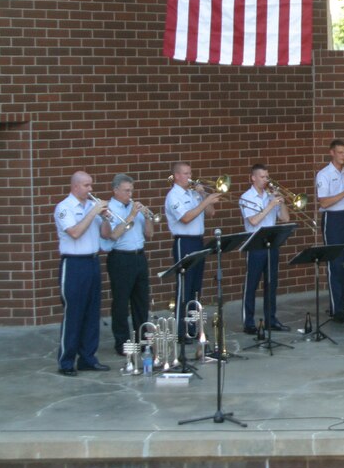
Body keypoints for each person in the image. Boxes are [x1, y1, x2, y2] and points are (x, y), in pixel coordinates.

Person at [53, 171, 110, 376]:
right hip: (74, 263)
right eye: (86, 185)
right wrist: (93, 212)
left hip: (93, 261)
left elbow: (105, 234)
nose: (90, 190)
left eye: (91, 185)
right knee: (74, 313)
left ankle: (88, 358)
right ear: (75, 186)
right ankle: (66, 361)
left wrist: (104, 218)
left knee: (92, 313)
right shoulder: (64, 208)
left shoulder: (90, 207)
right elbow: (75, 232)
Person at [165, 161, 223, 341]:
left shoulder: (193, 193)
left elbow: (210, 213)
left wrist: (203, 194)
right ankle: (181, 331)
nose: (190, 177)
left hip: (198, 241)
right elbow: (186, 218)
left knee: (196, 288)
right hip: (184, 241)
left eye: (190, 173)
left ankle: (193, 327)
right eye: (185, 173)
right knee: (185, 286)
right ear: (176, 176)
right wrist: (205, 200)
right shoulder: (173, 195)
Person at [100, 174, 155, 357]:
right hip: (120, 258)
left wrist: (147, 217)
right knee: (121, 303)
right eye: (126, 190)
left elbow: (149, 235)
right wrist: (131, 215)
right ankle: (122, 342)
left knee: (142, 302)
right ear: (115, 190)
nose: (130, 194)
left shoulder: (135, 208)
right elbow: (113, 235)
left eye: (131, 190)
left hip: (139, 257)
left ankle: (143, 340)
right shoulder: (108, 210)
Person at [238, 163, 291, 336]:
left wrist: (281, 201)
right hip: (255, 245)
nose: (265, 180)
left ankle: (271, 319)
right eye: (262, 177)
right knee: (251, 284)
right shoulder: (246, 197)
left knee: (271, 283)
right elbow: (253, 221)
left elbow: (284, 218)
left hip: (272, 243)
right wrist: (269, 205)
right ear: (253, 178)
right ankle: (249, 322)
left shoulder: (270, 196)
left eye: (267, 176)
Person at [315, 139, 344, 322]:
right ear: (332, 153)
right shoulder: (324, 174)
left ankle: (342, 306)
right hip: (332, 219)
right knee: (335, 264)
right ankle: (337, 310)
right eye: (341, 153)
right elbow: (324, 202)